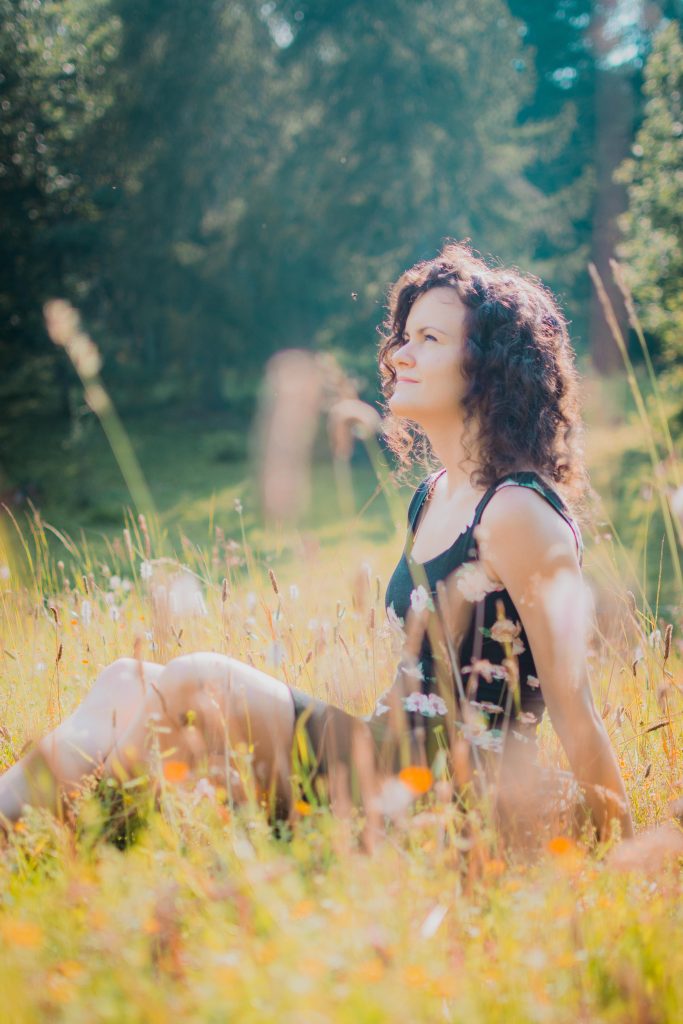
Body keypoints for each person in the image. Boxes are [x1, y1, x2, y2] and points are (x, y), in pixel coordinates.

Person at [0, 242, 634, 846]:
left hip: (447, 800)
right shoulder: (435, 494)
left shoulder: (519, 511)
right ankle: (14, 831)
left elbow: (575, 710)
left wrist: (621, 868)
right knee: (124, 680)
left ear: (489, 368)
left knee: (197, 678)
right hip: (382, 761)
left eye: (429, 339)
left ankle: (93, 850)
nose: (398, 356)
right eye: (403, 337)